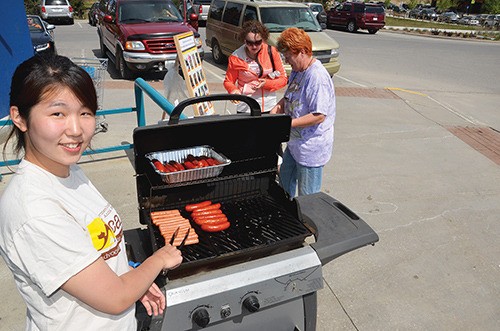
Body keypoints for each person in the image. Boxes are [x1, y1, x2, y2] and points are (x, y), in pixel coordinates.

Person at [0, 54, 183, 330]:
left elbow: (98, 252)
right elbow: (115, 297)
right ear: (20, 118)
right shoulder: (33, 210)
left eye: (85, 112)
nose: (76, 130)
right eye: (57, 113)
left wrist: (134, 278)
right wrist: (157, 261)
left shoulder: (68, 170)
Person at [270, 27, 336, 197]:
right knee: (284, 186)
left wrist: (286, 124)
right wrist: (275, 110)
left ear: (302, 51)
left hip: (311, 150)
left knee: (308, 198)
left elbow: (319, 115)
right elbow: (288, 97)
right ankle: (288, 215)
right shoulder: (298, 72)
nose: (286, 60)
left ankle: (307, 224)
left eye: (288, 56)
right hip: (295, 144)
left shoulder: (317, 77)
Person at [223, 20, 287, 113]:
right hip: (246, 107)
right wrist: (234, 91)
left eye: (258, 42)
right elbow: (228, 82)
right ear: (244, 40)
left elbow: (283, 79)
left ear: (263, 39)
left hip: (269, 106)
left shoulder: (272, 52)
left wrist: (266, 83)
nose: (254, 46)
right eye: (249, 42)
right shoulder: (236, 57)